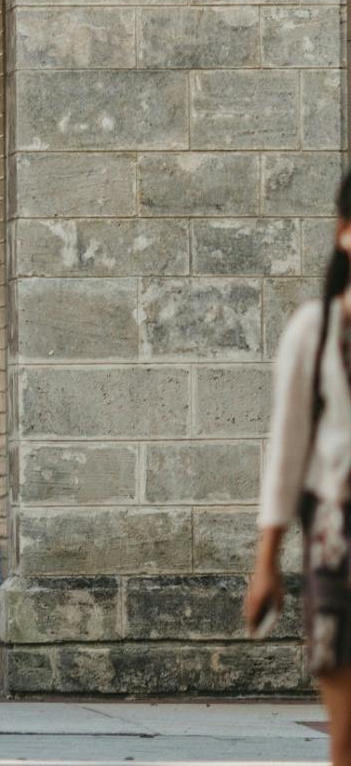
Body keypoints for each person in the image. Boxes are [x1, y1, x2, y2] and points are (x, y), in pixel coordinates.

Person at [250, 170, 351, 759]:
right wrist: (267, 563)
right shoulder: (312, 333)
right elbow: (286, 450)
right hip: (337, 548)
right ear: (344, 232)